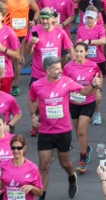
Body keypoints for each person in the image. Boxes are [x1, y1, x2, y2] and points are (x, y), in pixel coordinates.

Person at [29, 56, 100, 199]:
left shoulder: (66, 82)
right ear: (48, 71)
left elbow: (85, 92)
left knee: (65, 163)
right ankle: (42, 196)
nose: (60, 70)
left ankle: (71, 177)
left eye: (60, 67)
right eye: (56, 68)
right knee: (43, 165)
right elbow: (31, 100)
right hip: (45, 131)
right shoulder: (37, 85)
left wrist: (93, 85)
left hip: (63, 131)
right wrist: (33, 116)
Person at [63, 42, 103, 174]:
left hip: (88, 102)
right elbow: (63, 83)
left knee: (81, 131)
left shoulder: (92, 65)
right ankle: (86, 148)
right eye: (77, 51)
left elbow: (99, 77)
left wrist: (98, 90)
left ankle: (83, 159)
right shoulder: (68, 67)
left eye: (81, 51)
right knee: (79, 132)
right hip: (73, 103)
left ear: (86, 53)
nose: (79, 54)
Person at [0, 135, 44, 200]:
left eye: (19, 148)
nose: (16, 151)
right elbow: (2, 184)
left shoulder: (32, 168)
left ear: (24, 148)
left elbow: (40, 193)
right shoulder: (3, 165)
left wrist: (31, 187)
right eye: (13, 148)